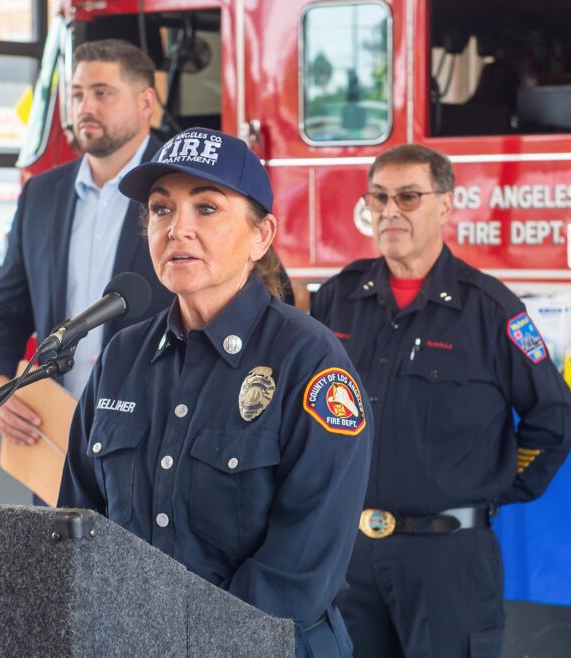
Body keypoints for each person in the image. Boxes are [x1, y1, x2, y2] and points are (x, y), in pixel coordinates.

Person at [59, 128, 372, 657]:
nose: (177, 229)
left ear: (261, 236)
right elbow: (78, 522)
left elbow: (301, 562)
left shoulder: (309, 360)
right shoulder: (121, 355)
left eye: (206, 208)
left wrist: (192, 642)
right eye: (161, 210)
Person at [309, 144, 571, 658]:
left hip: (448, 558)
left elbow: (555, 421)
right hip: (347, 558)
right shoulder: (336, 298)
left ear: (446, 206)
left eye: (409, 197)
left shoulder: (492, 309)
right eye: (379, 198)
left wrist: (492, 488)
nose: (390, 211)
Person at [0, 39, 172, 459]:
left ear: (145, 102)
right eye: (77, 94)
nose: (85, 107)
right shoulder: (41, 195)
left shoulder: (181, 188)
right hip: (56, 441)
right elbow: (5, 310)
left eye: (102, 93)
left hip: (157, 439)